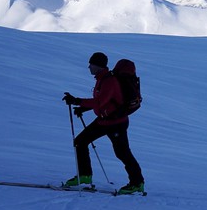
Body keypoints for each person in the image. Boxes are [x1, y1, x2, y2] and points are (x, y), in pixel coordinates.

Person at [62, 51, 145, 195]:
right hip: (105, 120)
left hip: (116, 123)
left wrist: (77, 101)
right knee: (80, 142)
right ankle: (85, 176)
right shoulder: (102, 78)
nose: (89, 67)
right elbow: (104, 102)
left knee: (122, 153)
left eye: (91, 64)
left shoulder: (109, 81)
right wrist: (83, 108)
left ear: (98, 66)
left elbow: (100, 102)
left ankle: (137, 183)